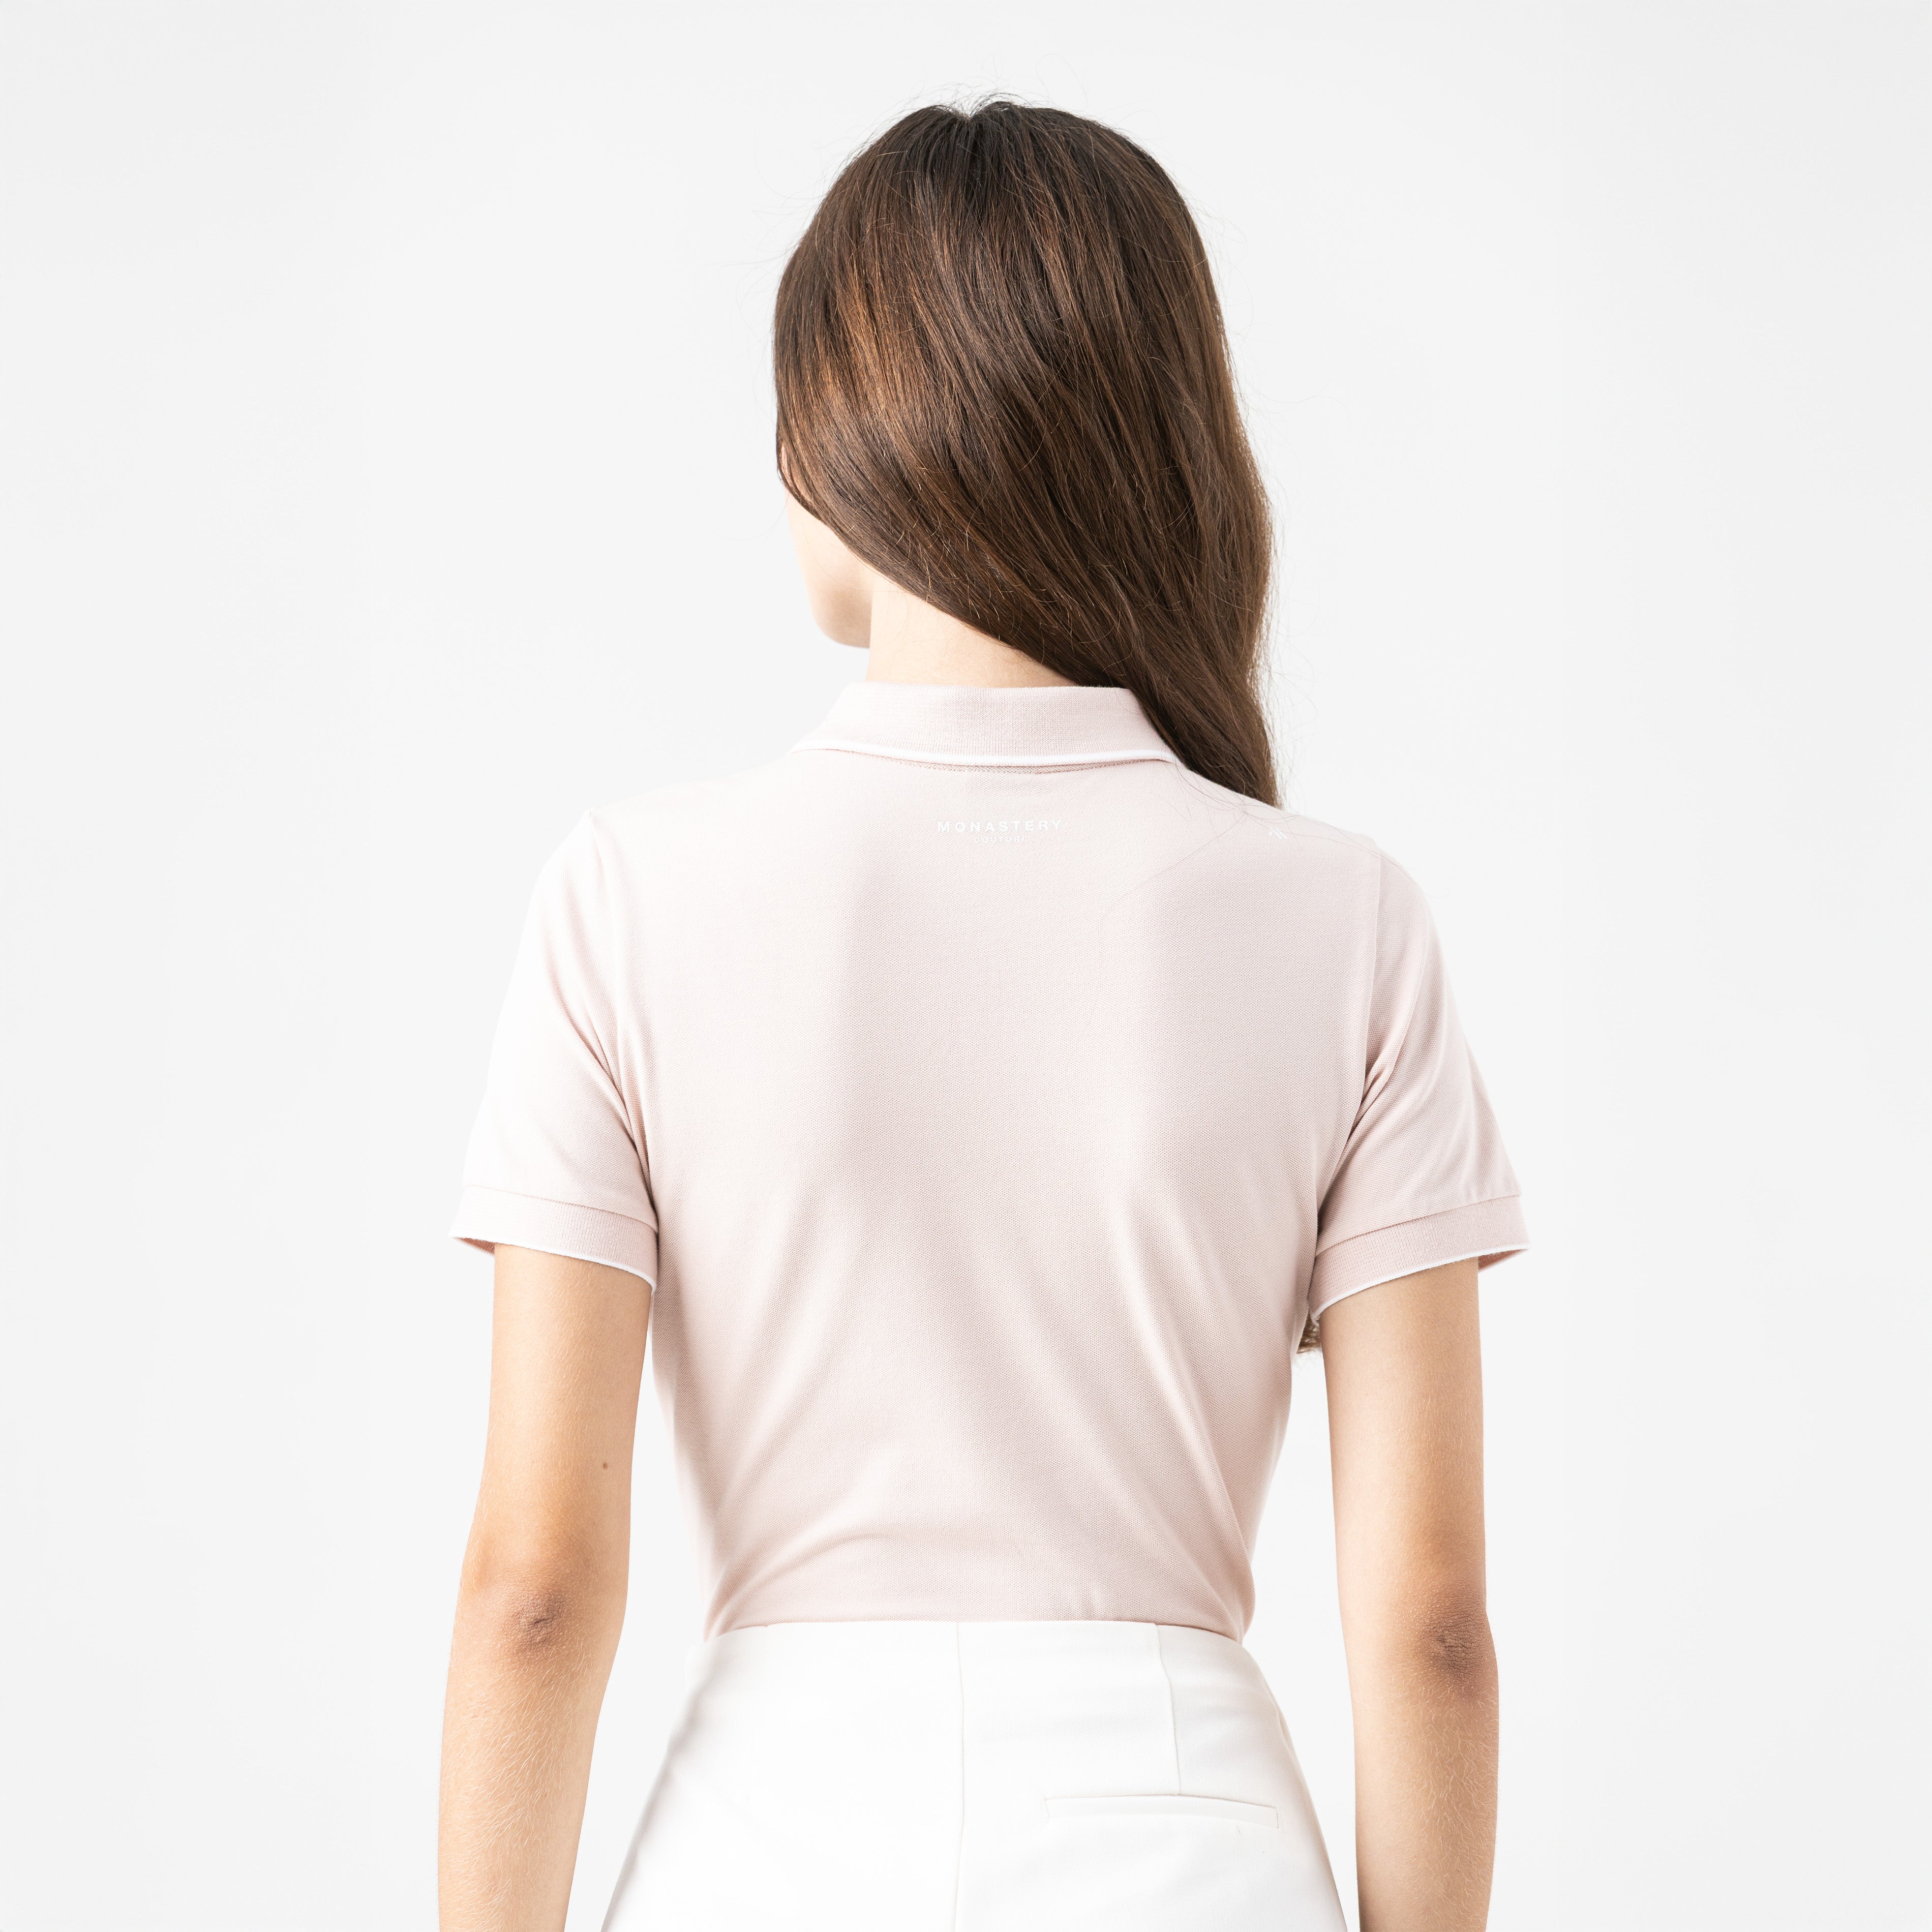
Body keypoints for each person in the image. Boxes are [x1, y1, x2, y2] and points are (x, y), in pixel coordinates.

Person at [436, 99, 1527, 1932]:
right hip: (1191, 1846)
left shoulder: (626, 892)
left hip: (767, 1849)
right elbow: (1431, 1628)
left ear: (832, 442)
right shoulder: (1346, 920)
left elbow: (534, 1587)